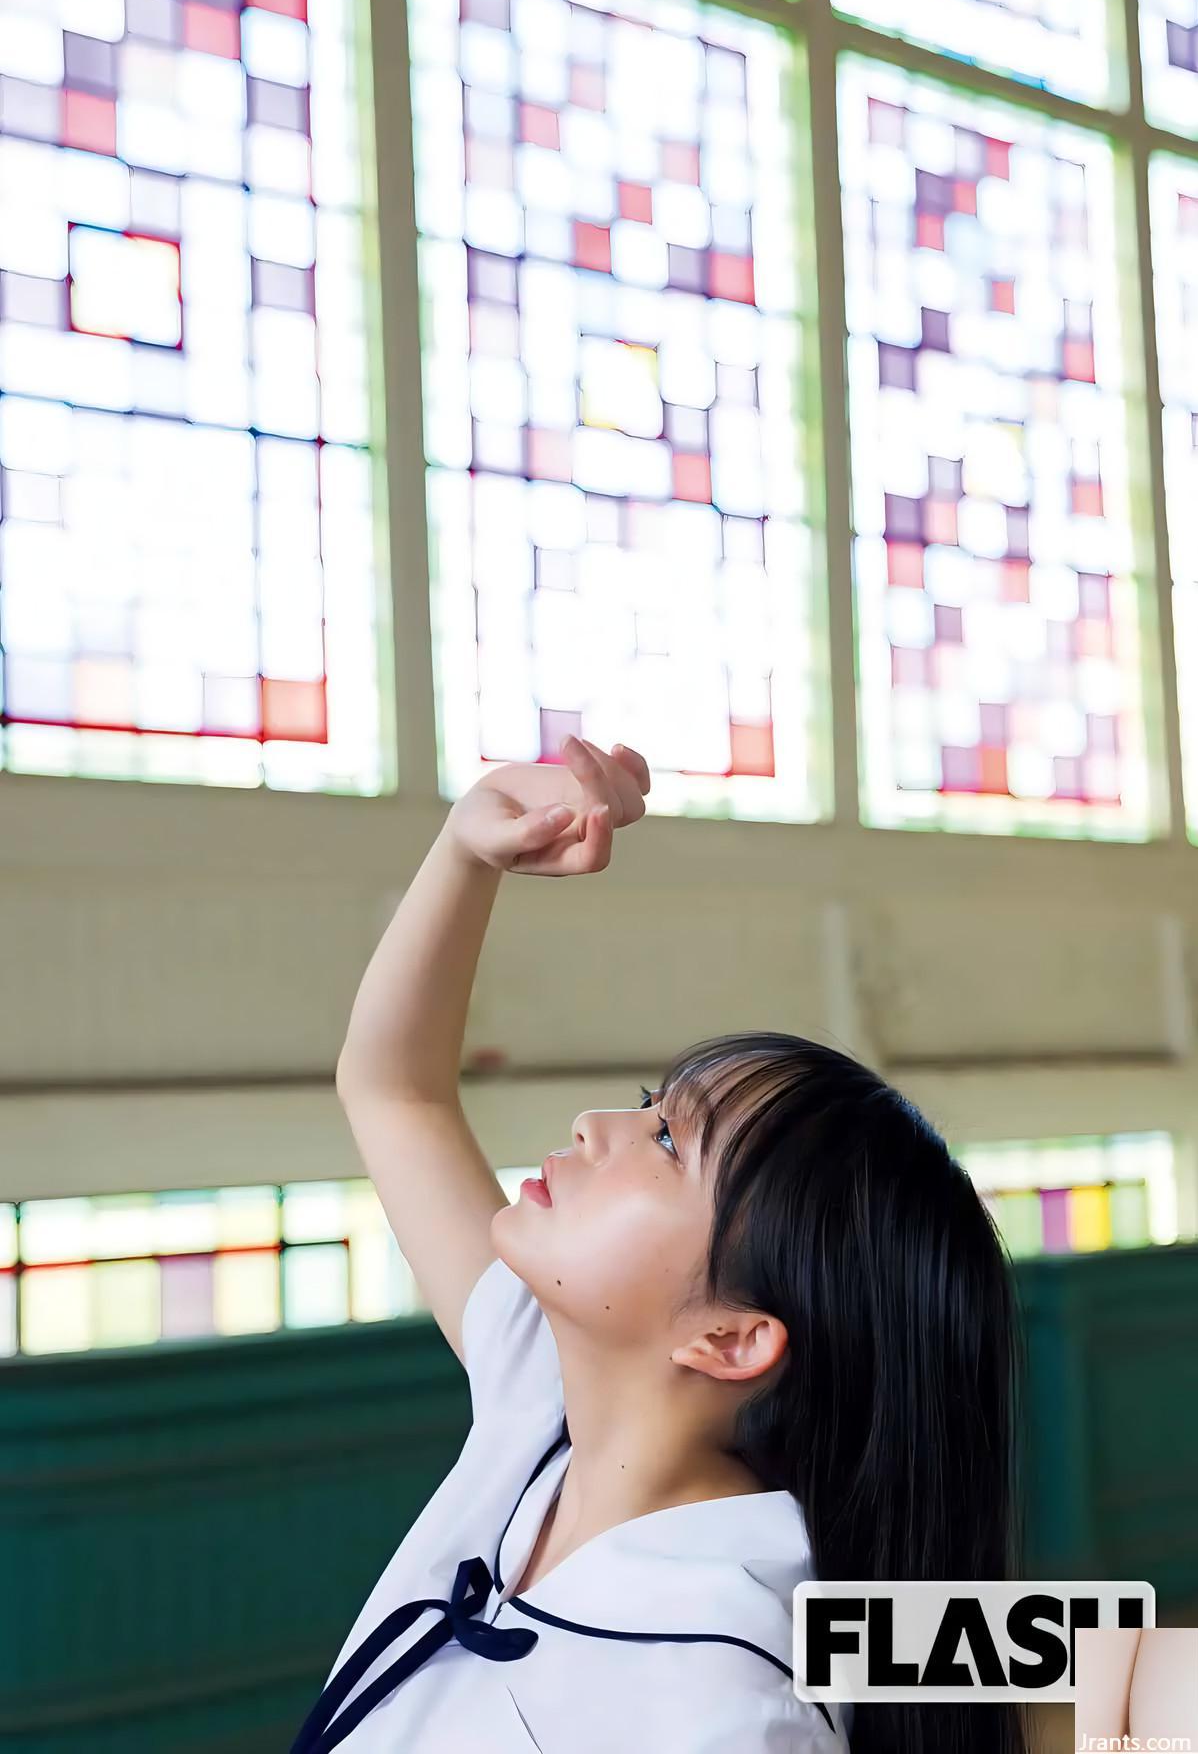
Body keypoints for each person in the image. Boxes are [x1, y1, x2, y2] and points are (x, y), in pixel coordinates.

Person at [290, 735, 1028, 1753]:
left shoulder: (722, 1707)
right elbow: (395, 1088)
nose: (596, 1124)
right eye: (649, 1106)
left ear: (730, 1340)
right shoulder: (543, 1404)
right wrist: (468, 849)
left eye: (670, 1139)